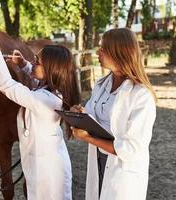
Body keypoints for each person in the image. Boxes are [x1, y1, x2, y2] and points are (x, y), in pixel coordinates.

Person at [0, 28, 79, 200]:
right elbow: (36, 80)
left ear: (51, 70)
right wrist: (23, 65)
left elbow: (7, 85)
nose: (32, 63)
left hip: (49, 172)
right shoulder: (50, 90)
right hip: (40, 165)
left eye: (37, 62)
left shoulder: (45, 100)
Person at [70, 28, 157, 200]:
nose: (98, 52)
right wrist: (81, 114)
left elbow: (132, 149)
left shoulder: (141, 95)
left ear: (119, 53)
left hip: (123, 170)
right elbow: (94, 115)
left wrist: (88, 138)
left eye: (103, 49)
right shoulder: (102, 84)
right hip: (99, 160)